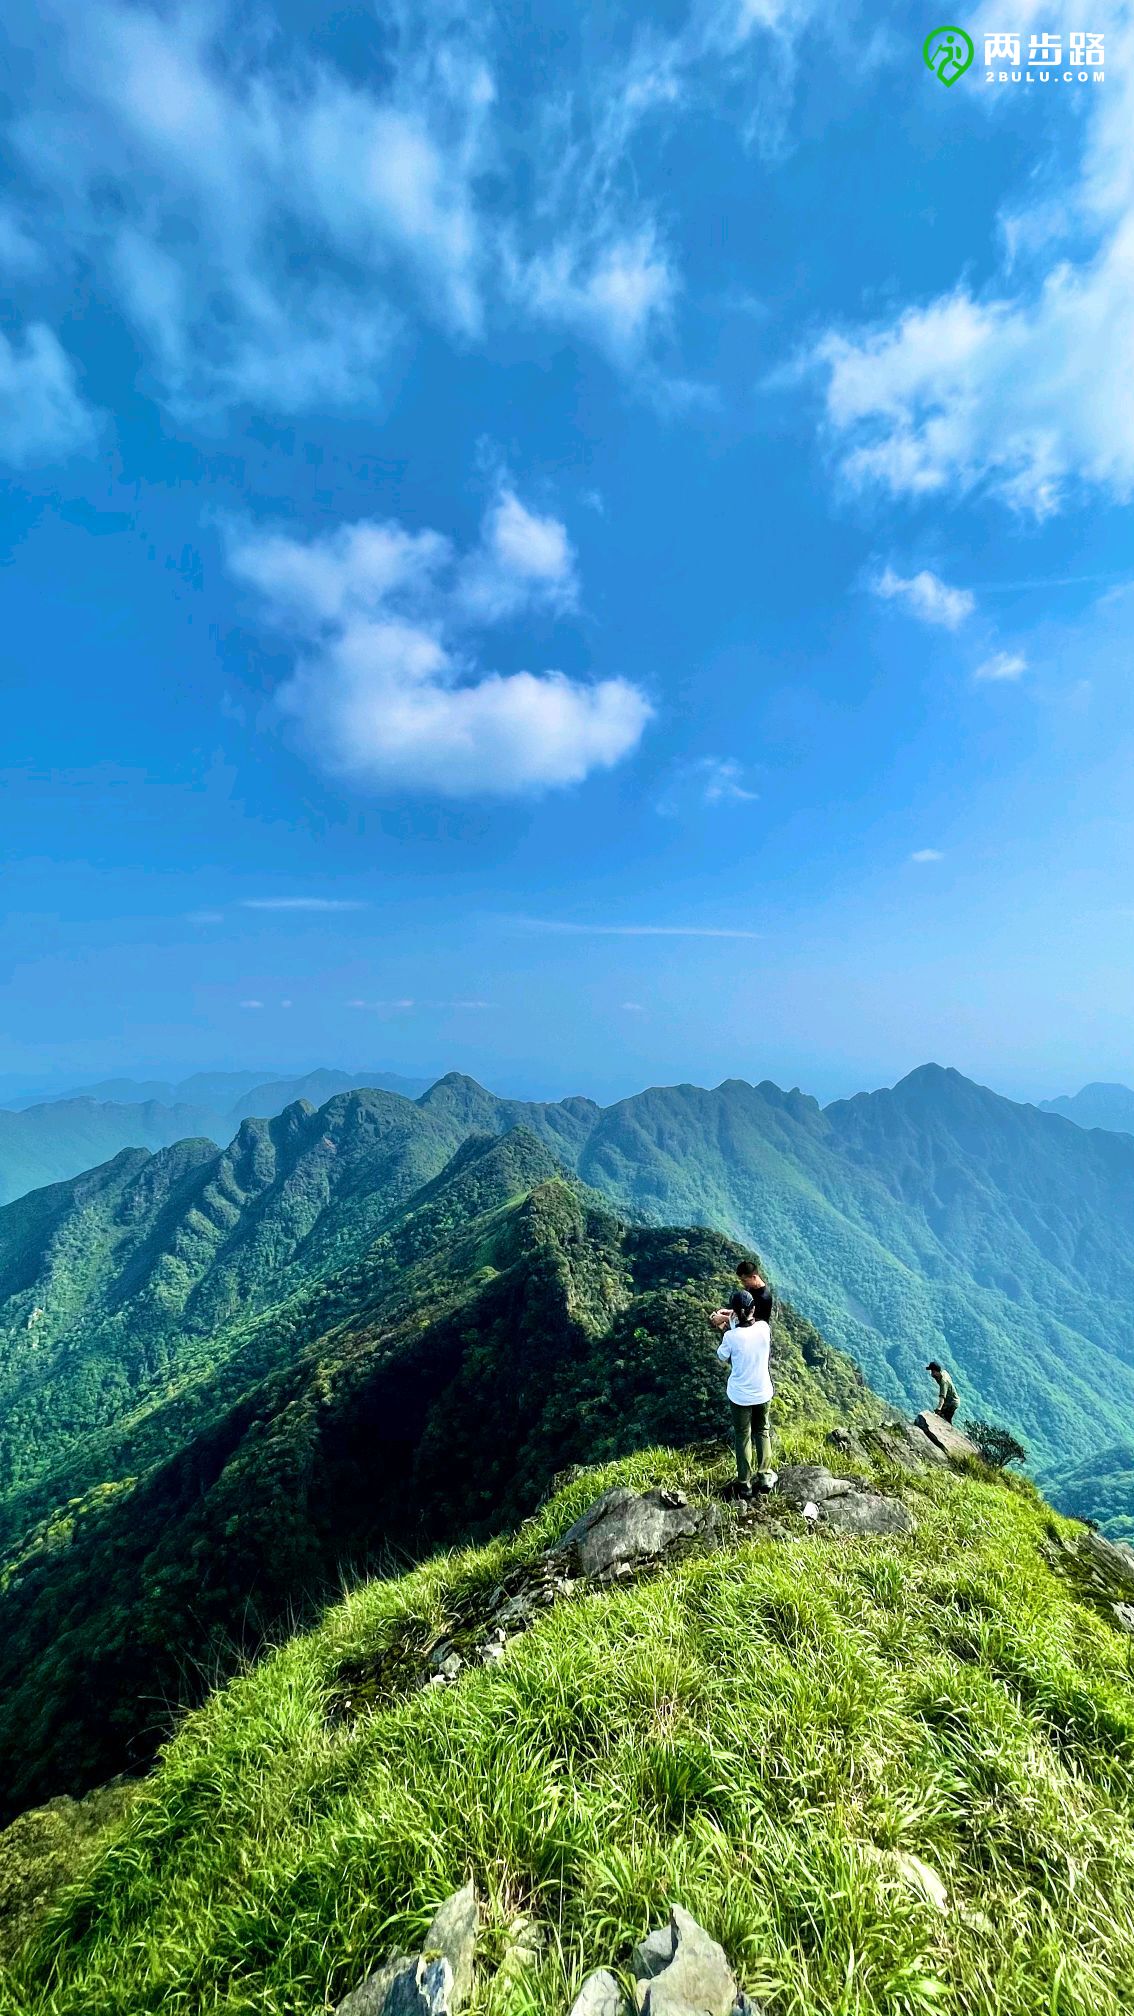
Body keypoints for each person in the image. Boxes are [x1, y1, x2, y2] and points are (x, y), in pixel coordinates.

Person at [712, 1287, 777, 1498]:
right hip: (762, 1391)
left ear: (734, 1312)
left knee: (743, 1436)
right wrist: (732, 1315)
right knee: (762, 1430)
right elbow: (747, 1323)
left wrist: (719, 1321)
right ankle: (765, 1475)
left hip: (740, 1395)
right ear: (753, 1309)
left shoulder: (731, 1337)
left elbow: (722, 1356)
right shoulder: (763, 1328)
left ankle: (744, 1483)